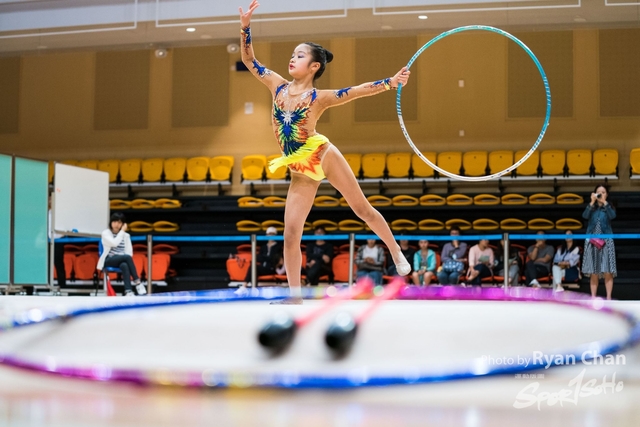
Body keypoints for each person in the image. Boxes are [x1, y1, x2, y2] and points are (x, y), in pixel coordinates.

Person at [239, 1, 411, 303]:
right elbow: (249, 60)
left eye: (300, 55)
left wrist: (390, 83)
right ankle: (295, 296)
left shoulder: (319, 97)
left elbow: (355, 91)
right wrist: (245, 27)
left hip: (322, 155)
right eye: (293, 54)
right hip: (299, 171)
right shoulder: (277, 86)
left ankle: (395, 250)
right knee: (290, 234)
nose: (292, 58)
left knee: (362, 209)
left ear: (314, 66)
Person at [582, 185, 617, 300]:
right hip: (592, 241)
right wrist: (591, 202)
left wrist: (605, 203)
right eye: (598, 192)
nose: (601, 194)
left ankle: (608, 297)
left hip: (606, 241)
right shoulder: (592, 207)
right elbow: (584, 216)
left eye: (603, 192)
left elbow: (613, 216)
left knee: (607, 270)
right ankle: (593, 297)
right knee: (594, 271)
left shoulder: (609, 207)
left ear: (607, 194)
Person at [97, 213, 144, 296]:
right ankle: (137, 282)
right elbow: (114, 243)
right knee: (127, 258)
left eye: (119, 222)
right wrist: (122, 231)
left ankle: (128, 291)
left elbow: (129, 252)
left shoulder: (126, 236)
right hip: (109, 259)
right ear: (111, 222)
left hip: (122, 259)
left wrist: (122, 233)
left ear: (123, 224)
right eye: (114, 222)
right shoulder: (106, 233)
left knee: (124, 265)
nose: (116, 224)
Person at [235, 226, 283, 295]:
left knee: (255, 267)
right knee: (253, 267)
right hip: (263, 267)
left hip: (272, 268)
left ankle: (245, 286)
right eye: (269, 234)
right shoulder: (263, 247)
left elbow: (275, 259)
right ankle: (247, 287)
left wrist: (266, 258)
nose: (271, 236)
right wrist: (268, 258)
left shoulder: (278, 246)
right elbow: (259, 258)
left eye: (272, 234)